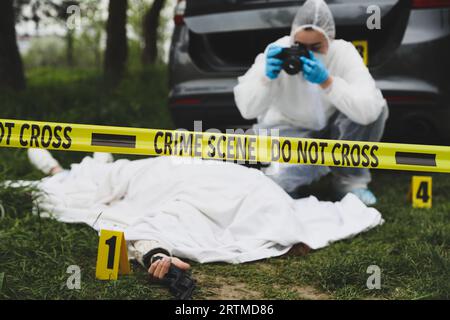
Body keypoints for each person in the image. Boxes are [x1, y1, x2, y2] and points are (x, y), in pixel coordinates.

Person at [26, 148, 383, 281]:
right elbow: (148, 229)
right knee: (104, 183)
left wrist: (155, 255)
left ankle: (64, 169)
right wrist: (155, 254)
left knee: (98, 185)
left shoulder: (260, 194)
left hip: (173, 176)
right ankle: (69, 170)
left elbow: (146, 231)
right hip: (167, 171)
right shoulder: (225, 198)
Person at [234, 0, 389, 206]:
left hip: (333, 131)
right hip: (290, 134)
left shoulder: (343, 53)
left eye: (316, 47)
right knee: (279, 186)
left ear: (330, 40)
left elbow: (369, 110)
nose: (307, 54)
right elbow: (247, 109)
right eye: (300, 47)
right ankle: (289, 183)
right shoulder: (278, 51)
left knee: (377, 108)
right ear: (292, 39)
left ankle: (350, 183)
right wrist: (266, 78)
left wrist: (328, 82)